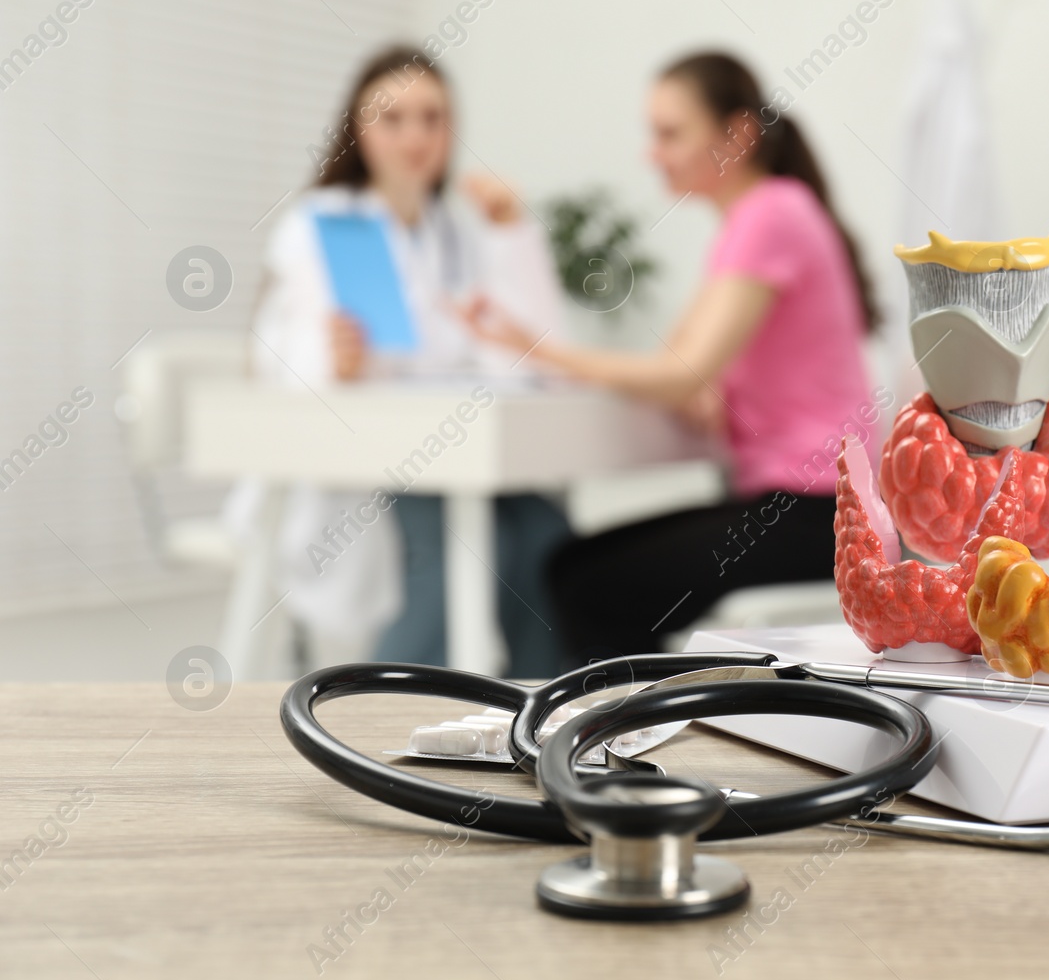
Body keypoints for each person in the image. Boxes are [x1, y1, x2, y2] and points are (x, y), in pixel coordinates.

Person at [460, 51, 882, 662]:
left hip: (820, 517)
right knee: (574, 567)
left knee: (587, 584)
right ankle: (627, 731)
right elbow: (687, 368)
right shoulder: (754, 219)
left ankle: (624, 737)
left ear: (736, 135)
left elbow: (682, 371)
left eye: (670, 133)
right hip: (810, 509)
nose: (652, 152)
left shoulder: (770, 215)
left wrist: (540, 350)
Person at [249, 46, 570, 677]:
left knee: (545, 538)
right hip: (371, 457)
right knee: (474, 553)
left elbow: (531, 353)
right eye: (393, 119)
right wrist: (331, 359)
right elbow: (279, 362)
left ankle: (542, 717)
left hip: (456, 451)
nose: (416, 137)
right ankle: (367, 729)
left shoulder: (457, 231)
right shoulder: (322, 224)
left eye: (433, 118)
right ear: (358, 129)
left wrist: (512, 234)